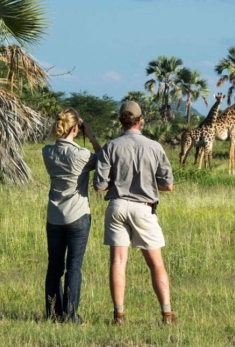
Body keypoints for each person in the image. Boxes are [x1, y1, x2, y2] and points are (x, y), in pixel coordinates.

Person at [93, 101, 176, 325]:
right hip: (144, 208)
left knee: (118, 261)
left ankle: (119, 315)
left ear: (121, 120)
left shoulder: (111, 146)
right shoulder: (155, 147)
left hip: (117, 206)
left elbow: (100, 185)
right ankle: (167, 314)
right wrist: (147, 186)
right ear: (141, 120)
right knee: (156, 263)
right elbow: (168, 185)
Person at [41, 108, 101, 324]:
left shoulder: (47, 152)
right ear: (77, 128)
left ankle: (52, 313)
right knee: (73, 268)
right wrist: (91, 136)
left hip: (54, 216)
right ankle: (70, 315)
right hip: (77, 216)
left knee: (54, 267)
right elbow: (102, 159)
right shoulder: (82, 155)